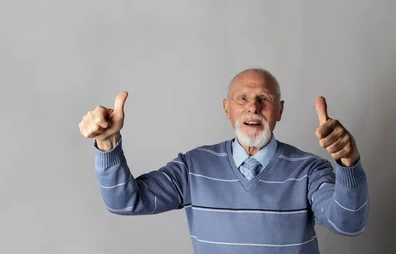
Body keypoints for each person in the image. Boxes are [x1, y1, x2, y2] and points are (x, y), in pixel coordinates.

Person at [78, 68, 369, 254]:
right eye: (241, 98)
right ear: (226, 109)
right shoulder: (193, 167)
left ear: (279, 110)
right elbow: (125, 202)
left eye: (263, 99)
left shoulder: (309, 169)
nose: (252, 107)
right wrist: (107, 144)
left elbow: (348, 224)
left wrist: (349, 163)